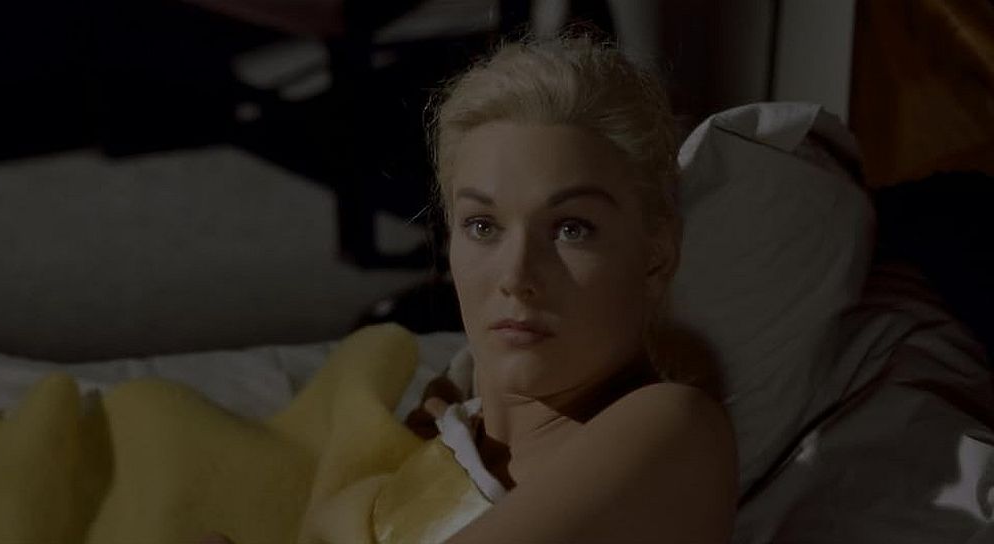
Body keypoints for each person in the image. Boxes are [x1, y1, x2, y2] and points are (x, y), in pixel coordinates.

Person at [205, 29, 737, 544]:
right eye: (483, 226)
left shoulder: (672, 428)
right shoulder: (442, 422)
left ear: (656, 256)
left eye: (572, 229)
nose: (516, 277)